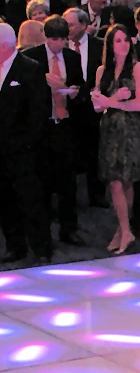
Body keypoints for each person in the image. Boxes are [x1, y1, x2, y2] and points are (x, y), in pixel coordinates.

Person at [25, 15, 86, 247]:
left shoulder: (71, 57)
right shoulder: (32, 58)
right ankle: (43, 232)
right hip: (42, 126)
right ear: (45, 38)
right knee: (42, 179)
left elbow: (81, 86)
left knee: (68, 181)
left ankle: (69, 229)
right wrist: (43, 81)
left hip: (65, 125)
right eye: (54, 39)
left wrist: (72, 91)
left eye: (62, 39)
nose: (58, 44)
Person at [91, 24, 140, 254]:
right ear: (110, 45)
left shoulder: (138, 68)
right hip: (110, 129)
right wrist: (113, 98)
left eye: (126, 40)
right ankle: (124, 230)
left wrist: (110, 102)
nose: (123, 44)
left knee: (127, 182)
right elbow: (96, 105)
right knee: (114, 181)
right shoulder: (102, 70)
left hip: (130, 129)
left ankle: (124, 230)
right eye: (118, 40)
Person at [0, 24, 51, 262]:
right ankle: (15, 246)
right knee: (5, 201)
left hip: (24, 152)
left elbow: (38, 111)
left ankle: (41, 248)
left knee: (31, 201)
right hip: (1, 152)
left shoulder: (30, 69)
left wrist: (26, 144)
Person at [64, 7, 108, 208]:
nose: (68, 29)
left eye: (71, 25)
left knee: (94, 152)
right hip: (68, 108)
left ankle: (96, 195)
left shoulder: (99, 46)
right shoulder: (59, 46)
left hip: (93, 108)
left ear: (84, 25)